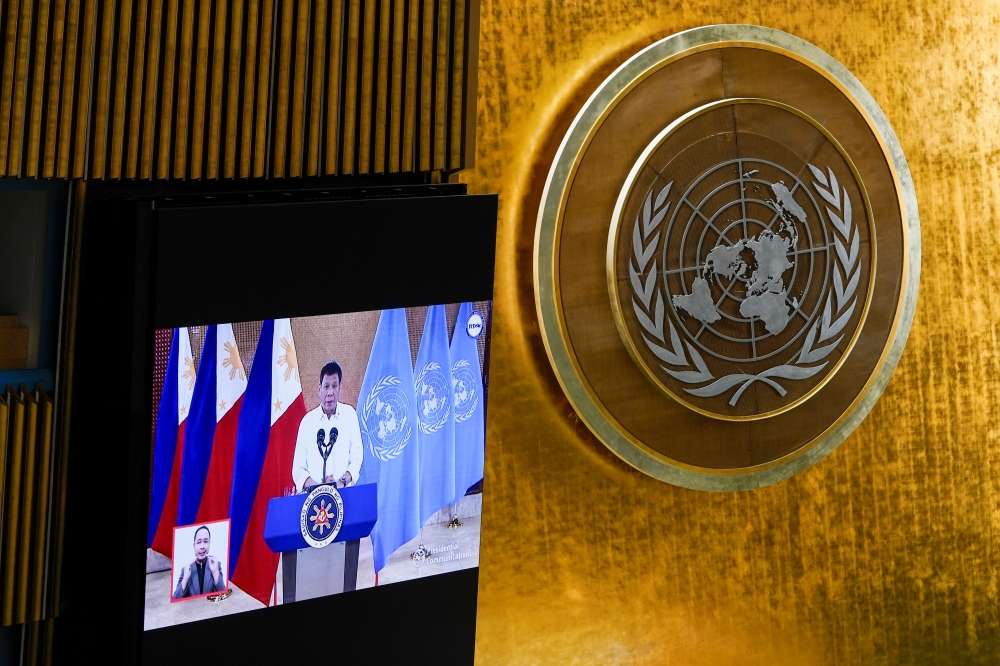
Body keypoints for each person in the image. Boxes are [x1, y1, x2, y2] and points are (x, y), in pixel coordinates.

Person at [292, 361, 363, 492]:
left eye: (334, 386)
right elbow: (298, 469)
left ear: (340, 388)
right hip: (313, 499)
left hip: (344, 493)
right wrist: (319, 488)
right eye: (326, 386)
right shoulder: (307, 422)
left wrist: (341, 482)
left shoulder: (350, 415)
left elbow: (357, 458)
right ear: (319, 389)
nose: (330, 392)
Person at [172, 525, 226, 599]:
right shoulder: (186, 569)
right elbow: (175, 599)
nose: (202, 546)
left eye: (206, 541)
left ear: (209, 545)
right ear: (194, 547)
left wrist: (215, 572)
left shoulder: (216, 565)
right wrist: (185, 579)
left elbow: (223, 596)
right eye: (199, 542)